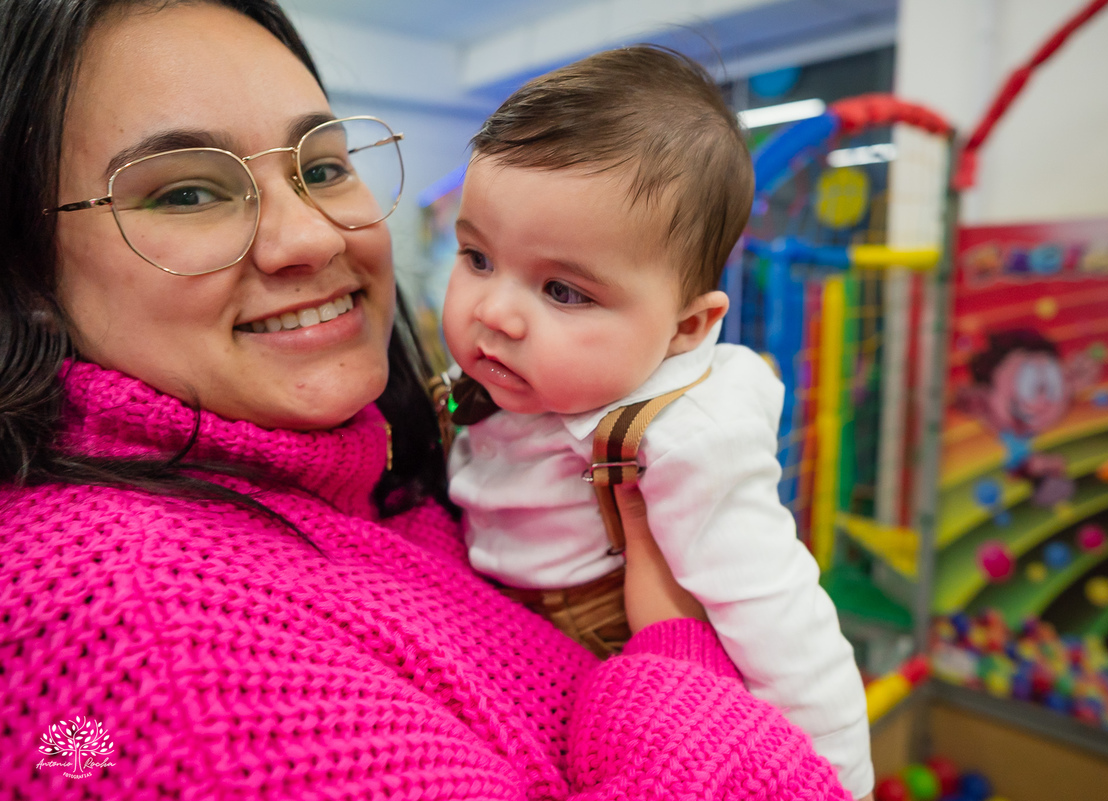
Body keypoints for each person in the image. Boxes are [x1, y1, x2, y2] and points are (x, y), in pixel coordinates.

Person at [0, 1, 853, 799]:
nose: (311, 234)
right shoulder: (145, 645)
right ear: (30, 269)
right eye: (188, 191)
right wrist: (680, 666)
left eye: (322, 166)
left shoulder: (368, 472)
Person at [441, 46, 873, 799]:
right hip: (502, 629)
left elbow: (778, 616)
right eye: (477, 257)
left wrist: (835, 777)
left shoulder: (681, 436)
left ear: (684, 327)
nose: (494, 312)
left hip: (620, 657)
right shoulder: (488, 383)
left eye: (563, 292)